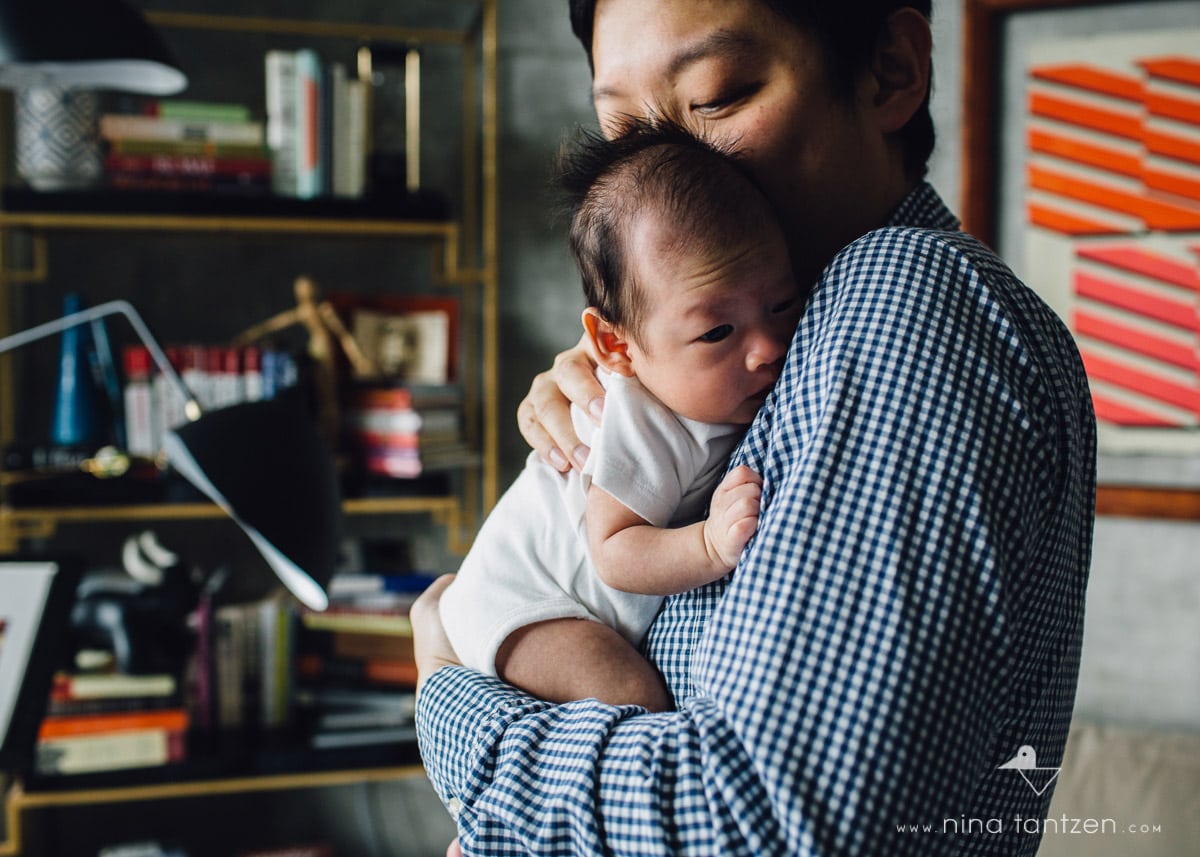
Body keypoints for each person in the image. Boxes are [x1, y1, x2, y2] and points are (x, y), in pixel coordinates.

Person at [412, 1, 1098, 855]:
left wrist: (448, 691)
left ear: (891, 68)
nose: (669, 170)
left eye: (718, 97)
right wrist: (646, 380)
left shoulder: (903, 299)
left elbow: (759, 827)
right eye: (623, 128)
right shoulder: (774, 365)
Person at [438, 123, 800, 713]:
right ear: (615, 348)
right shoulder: (642, 418)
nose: (767, 348)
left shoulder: (720, 382)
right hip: (524, 602)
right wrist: (708, 546)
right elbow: (613, 550)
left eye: (781, 303)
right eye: (717, 332)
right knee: (634, 695)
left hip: (536, 601)